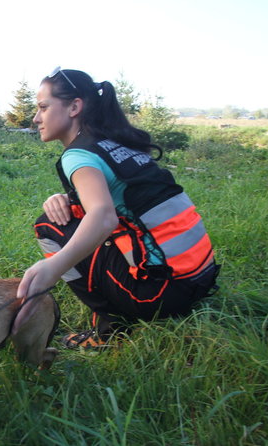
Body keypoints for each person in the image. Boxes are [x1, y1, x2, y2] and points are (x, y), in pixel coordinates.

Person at [13, 68, 220, 348]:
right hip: (199, 279)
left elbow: (103, 216)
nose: (36, 118)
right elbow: (122, 201)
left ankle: (110, 328)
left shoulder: (77, 155)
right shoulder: (114, 144)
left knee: (47, 226)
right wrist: (65, 198)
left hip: (159, 293)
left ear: (74, 106)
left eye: (43, 107)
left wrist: (53, 267)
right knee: (64, 217)